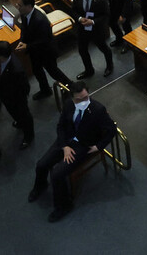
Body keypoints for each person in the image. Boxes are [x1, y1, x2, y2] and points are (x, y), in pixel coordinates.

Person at [28, 83, 117, 225]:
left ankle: (64, 206)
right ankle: (40, 186)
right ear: (72, 98)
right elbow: (61, 126)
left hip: (83, 146)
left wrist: (98, 147)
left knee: (57, 174)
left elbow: (112, 129)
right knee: (42, 164)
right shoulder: (68, 105)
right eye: (79, 100)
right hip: (65, 141)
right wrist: (64, 146)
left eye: (85, 98)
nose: (83, 102)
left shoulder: (98, 110)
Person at [16, 0, 73, 99]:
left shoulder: (40, 20)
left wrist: (27, 46)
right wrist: (22, 40)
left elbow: (44, 40)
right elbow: (24, 29)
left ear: (28, 6)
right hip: (35, 51)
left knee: (54, 72)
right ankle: (45, 90)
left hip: (46, 51)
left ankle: (70, 86)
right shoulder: (24, 14)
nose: (17, 7)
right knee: (37, 71)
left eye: (20, 5)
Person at [0, 40, 34, 149]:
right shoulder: (2, 61)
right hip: (6, 96)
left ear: (1, 56)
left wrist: (18, 100)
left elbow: (25, 88)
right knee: (14, 113)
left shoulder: (16, 70)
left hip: (17, 99)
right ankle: (19, 122)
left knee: (24, 116)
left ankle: (29, 136)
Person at [70, 0, 113, 79]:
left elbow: (106, 15)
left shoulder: (101, 0)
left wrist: (93, 21)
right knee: (82, 50)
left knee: (104, 48)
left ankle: (110, 66)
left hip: (96, 29)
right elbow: (73, 11)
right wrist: (80, 18)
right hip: (83, 29)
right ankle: (89, 70)